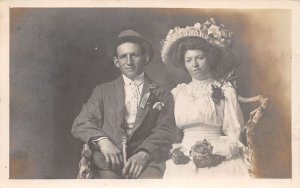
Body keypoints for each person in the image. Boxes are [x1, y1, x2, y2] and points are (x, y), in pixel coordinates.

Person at [71, 30, 176, 179]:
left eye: (134, 55)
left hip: (146, 162)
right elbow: (81, 123)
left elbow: (165, 130)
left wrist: (144, 153)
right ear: (116, 62)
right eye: (123, 57)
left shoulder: (162, 93)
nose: (129, 62)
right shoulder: (102, 91)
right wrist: (103, 142)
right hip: (107, 163)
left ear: (145, 58)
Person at [160, 18, 250, 178]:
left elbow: (233, 132)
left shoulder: (224, 90)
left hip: (217, 152)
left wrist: (217, 154)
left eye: (199, 58)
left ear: (210, 58)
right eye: (189, 60)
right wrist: (178, 152)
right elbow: (169, 131)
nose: (194, 64)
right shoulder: (178, 92)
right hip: (184, 154)